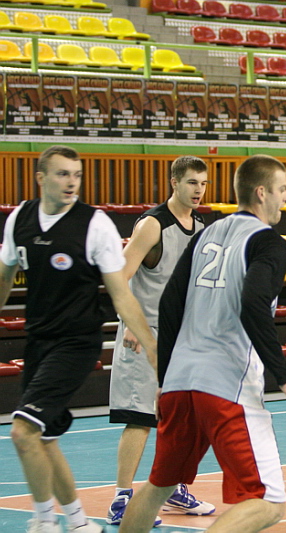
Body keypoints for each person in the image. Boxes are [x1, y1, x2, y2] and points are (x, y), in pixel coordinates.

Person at [118, 154, 286, 533]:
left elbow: (169, 304)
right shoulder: (268, 243)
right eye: (282, 189)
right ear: (262, 192)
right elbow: (253, 303)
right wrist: (284, 376)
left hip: (180, 383)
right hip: (226, 388)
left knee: (157, 487)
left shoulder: (207, 233)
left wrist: (164, 378)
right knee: (268, 504)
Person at [0, 145, 157, 533]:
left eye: (77, 175)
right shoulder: (20, 219)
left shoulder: (95, 224)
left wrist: (152, 345)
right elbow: (4, 278)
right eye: (62, 174)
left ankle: (43, 522)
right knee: (45, 438)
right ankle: (78, 521)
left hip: (77, 342)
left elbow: (121, 294)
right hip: (38, 341)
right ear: (41, 178)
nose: (72, 182)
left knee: (23, 431)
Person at [106, 156, 215, 526]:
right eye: (192, 182)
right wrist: (131, 324)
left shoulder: (200, 226)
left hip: (180, 337)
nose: (198, 190)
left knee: (182, 417)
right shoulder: (153, 225)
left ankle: (171, 488)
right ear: (174, 182)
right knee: (139, 418)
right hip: (144, 335)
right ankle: (121, 499)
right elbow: (119, 275)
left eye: (203, 183)